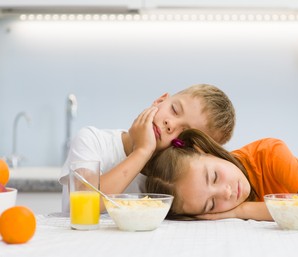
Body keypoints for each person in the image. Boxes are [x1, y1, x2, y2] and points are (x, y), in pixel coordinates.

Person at [59, 84, 236, 213]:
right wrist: (142, 151)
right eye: (174, 110)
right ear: (160, 100)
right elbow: (87, 202)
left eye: (185, 132)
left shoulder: (169, 185)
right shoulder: (92, 139)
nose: (170, 124)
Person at [145, 129, 298, 222]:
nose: (226, 193)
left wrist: (239, 211)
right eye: (211, 204)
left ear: (203, 150)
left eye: (215, 177)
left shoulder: (270, 153)